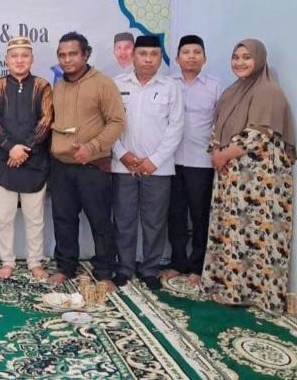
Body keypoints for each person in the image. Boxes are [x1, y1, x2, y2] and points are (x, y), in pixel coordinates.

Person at [200, 39, 294, 313]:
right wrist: (216, 152)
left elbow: (259, 133)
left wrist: (223, 155)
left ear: (260, 59)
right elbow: (218, 126)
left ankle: (258, 294)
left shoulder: (268, 91)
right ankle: (228, 287)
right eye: (236, 56)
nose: (240, 62)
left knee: (257, 232)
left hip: (259, 179)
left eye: (246, 57)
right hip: (231, 174)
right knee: (231, 230)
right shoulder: (232, 91)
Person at [48, 32, 125, 290]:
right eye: (62, 55)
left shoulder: (103, 84)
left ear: (86, 54)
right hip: (61, 167)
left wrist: (92, 148)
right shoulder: (59, 85)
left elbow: (117, 122)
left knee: (100, 221)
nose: (67, 59)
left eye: (73, 54)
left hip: (92, 166)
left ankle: (104, 273)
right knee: (63, 220)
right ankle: (65, 267)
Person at [111, 34, 184, 290]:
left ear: (160, 58)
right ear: (133, 56)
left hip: (158, 168)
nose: (148, 59)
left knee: (154, 221)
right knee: (124, 220)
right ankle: (124, 268)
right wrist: (122, 154)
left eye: (154, 54)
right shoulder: (116, 84)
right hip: (124, 166)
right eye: (143, 54)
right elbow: (108, 124)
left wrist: (154, 160)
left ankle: (150, 269)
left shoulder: (170, 87)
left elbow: (176, 127)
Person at [0, 36, 53, 280]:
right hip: (3, 162)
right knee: (4, 218)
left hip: (34, 162)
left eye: (24, 56)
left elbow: (46, 121)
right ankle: (7, 262)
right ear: (7, 59)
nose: (19, 60)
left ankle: (35, 262)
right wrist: (11, 148)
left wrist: (24, 150)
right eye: (14, 56)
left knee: (35, 218)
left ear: (32, 59)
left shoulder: (42, 86)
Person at [162, 35, 221, 286]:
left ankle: (197, 266)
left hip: (202, 162)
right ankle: (177, 263)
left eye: (197, 52)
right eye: (186, 52)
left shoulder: (215, 86)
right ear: (177, 58)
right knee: (175, 214)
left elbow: (220, 123)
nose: (191, 57)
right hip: (171, 160)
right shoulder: (168, 84)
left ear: (204, 58)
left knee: (199, 215)